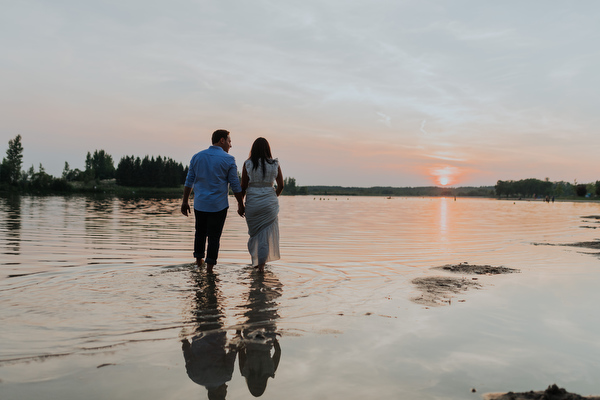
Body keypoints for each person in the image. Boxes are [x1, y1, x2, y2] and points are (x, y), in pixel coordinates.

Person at [181, 129, 245, 273]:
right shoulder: (229, 159)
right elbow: (235, 185)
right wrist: (241, 204)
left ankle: (198, 263)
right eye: (229, 141)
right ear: (222, 140)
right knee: (214, 237)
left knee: (200, 233)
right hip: (218, 206)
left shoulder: (197, 156)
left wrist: (185, 201)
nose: (230, 145)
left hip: (200, 204)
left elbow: (189, 181)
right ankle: (209, 270)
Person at [240, 138, 284, 272]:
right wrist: (272, 197)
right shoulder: (275, 164)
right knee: (266, 236)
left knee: (254, 235)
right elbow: (281, 185)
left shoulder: (247, 164)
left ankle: (257, 264)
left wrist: (240, 204)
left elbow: (243, 186)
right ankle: (262, 267)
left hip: (253, 202)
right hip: (269, 202)